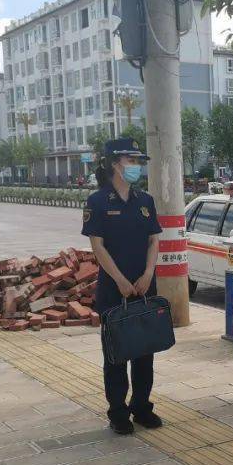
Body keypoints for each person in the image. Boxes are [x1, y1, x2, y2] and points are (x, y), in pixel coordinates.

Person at [82, 137, 164, 435]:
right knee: (116, 354)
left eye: (138, 162)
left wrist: (147, 275)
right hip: (113, 290)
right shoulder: (98, 201)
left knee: (144, 351)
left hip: (144, 288)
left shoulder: (145, 201)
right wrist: (120, 280)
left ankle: (141, 407)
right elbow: (98, 246)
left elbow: (155, 240)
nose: (136, 167)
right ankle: (118, 411)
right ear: (115, 163)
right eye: (132, 161)